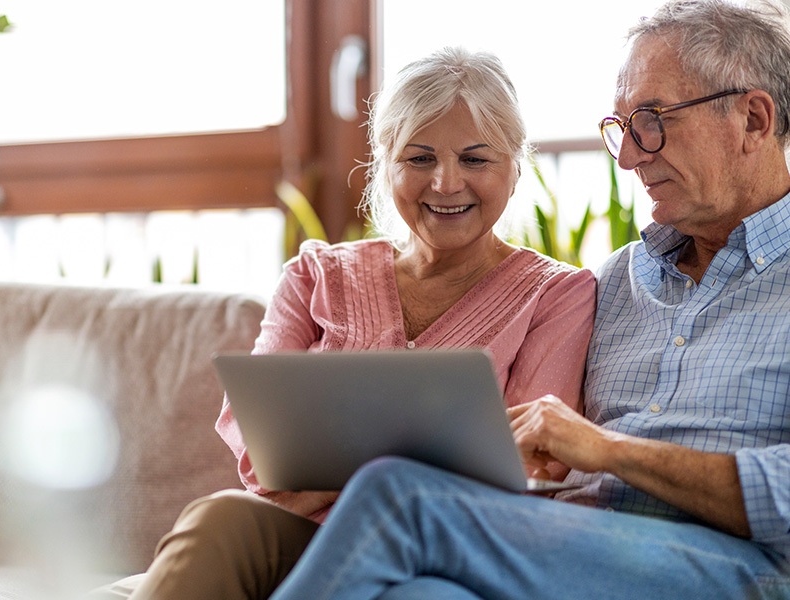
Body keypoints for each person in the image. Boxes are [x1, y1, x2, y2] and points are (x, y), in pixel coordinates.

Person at [266, 1, 790, 599]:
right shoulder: (618, 281)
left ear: (753, 118)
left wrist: (608, 450)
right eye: (620, 127)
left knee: (401, 493)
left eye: (651, 118)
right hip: (568, 547)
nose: (627, 154)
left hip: (735, 565)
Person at [93, 47, 596, 599]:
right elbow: (264, 457)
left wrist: (331, 479)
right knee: (221, 517)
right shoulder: (315, 275)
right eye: (419, 158)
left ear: (517, 166)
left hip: (436, 553)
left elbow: (524, 470)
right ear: (385, 164)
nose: (446, 183)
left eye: (476, 159)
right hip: (300, 535)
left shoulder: (558, 294)